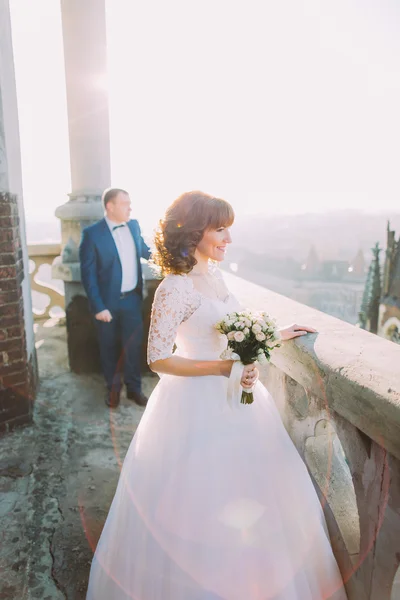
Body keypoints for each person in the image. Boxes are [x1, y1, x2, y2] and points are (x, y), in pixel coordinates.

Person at [86, 191, 348, 599]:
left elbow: (232, 332)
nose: (228, 239)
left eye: (229, 229)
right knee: (200, 508)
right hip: (193, 407)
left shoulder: (216, 276)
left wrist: (272, 338)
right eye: (220, 229)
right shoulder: (175, 288)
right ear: (193, 232)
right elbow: (158, 358)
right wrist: (223, 368)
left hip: (241, 406)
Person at [79, 188, 151, 408]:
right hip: (106, 304)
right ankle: (112, 392)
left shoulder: (134, 225)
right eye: (125, 203)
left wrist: (175, 257)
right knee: (108, 348)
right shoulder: (92, 234)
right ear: (110, 206)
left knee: (133, 347)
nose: (130, 207)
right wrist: (99, 306)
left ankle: (134, 390)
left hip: (132, 300)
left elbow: (147, 252)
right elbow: (88, 275)